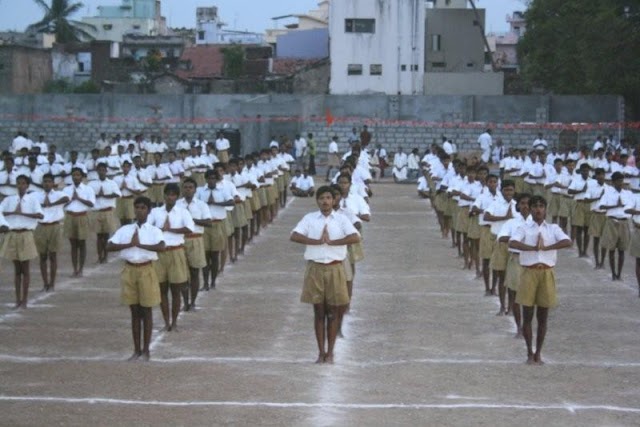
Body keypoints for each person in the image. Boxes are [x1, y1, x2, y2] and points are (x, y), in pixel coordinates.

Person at [290, 185, 360, 364]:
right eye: (322, 198)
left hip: (335, 268)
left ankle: (331, 352)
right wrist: (316, 242)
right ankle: (321, 351)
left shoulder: (342, 219)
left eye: (328, 198)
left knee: (333, 312)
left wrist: (334, 242)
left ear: (333, 200)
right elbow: (295, 235)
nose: (325, 201)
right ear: (317, 201)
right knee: (318, 312)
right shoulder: (310, 218)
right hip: (315, 268)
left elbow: (355, 237)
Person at [509, 195, 572, 365]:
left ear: (545, 209)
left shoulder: (553, 228)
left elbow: (567, 241)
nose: (538, 209)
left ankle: (539, 353)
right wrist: (532, 248)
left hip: (546, 272)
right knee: (528, 315)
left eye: (541, 206)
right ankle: (530, 352)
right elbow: (513, 242)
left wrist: (546, 248)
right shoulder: (523, 228)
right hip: (529, 272)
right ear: (530, 209)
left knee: (543, 316)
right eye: (535, 206)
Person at [107, 196, 165, 361]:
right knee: (134, 311)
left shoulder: (154, 231)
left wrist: (140, 245)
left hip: (146, 269)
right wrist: (129, 244)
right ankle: (136, 349)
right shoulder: (125, 229)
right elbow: (110, 246)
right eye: (137, 207)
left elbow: (161, 246)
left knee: (146, 310)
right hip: (129, 269)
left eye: (143, 208)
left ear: (149, 210)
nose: (140, 211)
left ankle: (146, 349)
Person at [147, 183, 194, 332]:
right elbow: (147, 228)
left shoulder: (182, 212)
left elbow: (189, 228)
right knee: (162, 289)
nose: (170, 197)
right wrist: (160, 229)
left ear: (176, 197)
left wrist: (170, 229)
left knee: (176, 290)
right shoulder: (155, 212)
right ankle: (166, 321)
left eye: (173, 195)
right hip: (160, 253)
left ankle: (174, 322)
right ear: (164, 195)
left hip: (176, 251)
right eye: (168, 194)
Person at [0, 175, 41, 309]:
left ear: (27, 185)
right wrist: (13, 212)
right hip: (13, 234)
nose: (20, 186)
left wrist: (22, 214)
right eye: (18, 183)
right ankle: (18, 299)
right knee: (17, 269)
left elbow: (40, 215)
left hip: (26, 234)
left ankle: (25, 299)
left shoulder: (33, 200)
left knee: (25, 269)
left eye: (23, 183)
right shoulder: (8, 200)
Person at [498, 192, 531, 337]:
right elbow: (501, 237)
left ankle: (527, 325)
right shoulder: (512, 222)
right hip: (516, 259)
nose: (525, 206)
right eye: (522, 203)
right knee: (515, 295)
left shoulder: (536, 223)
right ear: (518, 206)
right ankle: (519, 326)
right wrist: (517, 239)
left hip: (531, 260)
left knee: (529, 296)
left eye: (528, 204)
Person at [177, 178, 210, 311]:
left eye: (191, 187)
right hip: (181, 239)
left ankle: (193, 301)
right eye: (185, 187)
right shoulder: (177, 205)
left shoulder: (201, 205)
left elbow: (208, 222)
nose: (188, 189)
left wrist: (192, 220)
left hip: (196, 239)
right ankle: (185, 301)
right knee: (183, 273)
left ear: (195, 189)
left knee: (195, 272)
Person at [484, 180, 516, 314]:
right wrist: (504, 217)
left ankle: (512, 307)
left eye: (511, 190)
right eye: (506, 190)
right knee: (502, 277)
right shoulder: (495, 203)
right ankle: (503, 306)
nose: (509, 193)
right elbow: (486, 216)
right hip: (500, 243)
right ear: (501, 191)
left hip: (514, 244)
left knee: (513, 279)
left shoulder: (517, 205)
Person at [198, 169, 234, 290]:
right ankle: (205, 282)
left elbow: (231, 202)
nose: (211, 180)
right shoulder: (200, 191)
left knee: (215, 254)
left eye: (214, 178)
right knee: (205, 255)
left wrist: (216, 203)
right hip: (204, 225)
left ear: (216, 180)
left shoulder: (223, 191)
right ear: (206, 179)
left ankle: (213, 281)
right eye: (209, 178)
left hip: (218, 224)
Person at [33, 173, 69, 291]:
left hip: (54, 226)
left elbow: (66, 198)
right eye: (45, 181)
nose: (47, 184)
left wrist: (51, 204)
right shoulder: (36, 195)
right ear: (42, 183)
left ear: (53, 183)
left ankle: (52, 283)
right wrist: (42, 204)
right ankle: (45, 283)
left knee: (53, 256)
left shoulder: (59, 194)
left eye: (49, 181)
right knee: (42, 256)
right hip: (41, 226)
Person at [598, 172, 634, 281]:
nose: (621, 183)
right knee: (612, 249)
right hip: (612, 221)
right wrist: (616, 205)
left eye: (622, 181)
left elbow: (631, 206)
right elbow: (601, 206)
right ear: (613, 182)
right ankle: (613, 273)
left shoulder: (628, 193)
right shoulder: (608, 194)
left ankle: (619, 274)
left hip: (623, 222)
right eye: (618, 181)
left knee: (622, 250)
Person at [63, 167, 96, 277]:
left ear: (82, 177)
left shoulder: (88, 189)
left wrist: (79, 198)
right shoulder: (66, 190)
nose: (76, 177)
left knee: (82, 243)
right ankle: (74, 269)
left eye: (78, 175)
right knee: (73, 244)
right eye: (74, 175)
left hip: (82, 216)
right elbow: (62, 205)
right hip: (70, 216)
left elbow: (91, 204)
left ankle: (81, 269)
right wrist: (71, 200)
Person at [88, 163, 122, 264]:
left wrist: (105, 195)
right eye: (100, 170)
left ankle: (105, 255)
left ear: (106, 171)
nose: (102, 172)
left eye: (103, 170)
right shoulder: (92, 184)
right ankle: (100, 256)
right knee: (99, 236)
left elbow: (118, 194)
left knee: (106, 235)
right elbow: (89, 197)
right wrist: (98, 195)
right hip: (97, 212)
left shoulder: (111, 183)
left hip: (108, 211)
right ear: (97, 171)